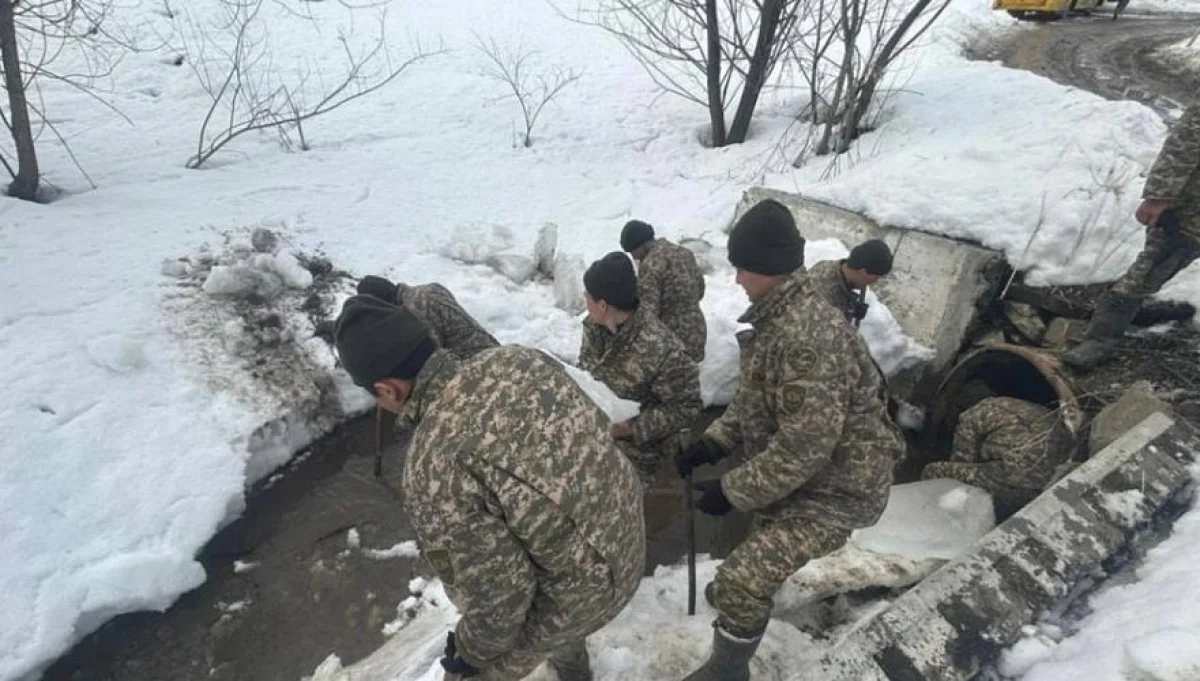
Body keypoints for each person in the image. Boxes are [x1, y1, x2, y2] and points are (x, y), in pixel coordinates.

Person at [333, 295, 644, 681]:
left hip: (589, 593)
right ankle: (575, 673)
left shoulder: (432, 466)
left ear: (388, 390)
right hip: (629, 540)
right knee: (550, 571)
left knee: (472, 672)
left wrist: (468, 652)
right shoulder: (519, 359)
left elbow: (501, 602)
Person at [672, 199, 903, 681]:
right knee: (761, 543)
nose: (737, 280)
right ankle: (748, 597)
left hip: (838, 489)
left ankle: (728, 669)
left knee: (741, 578)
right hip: (809, 476)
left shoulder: (806, 338)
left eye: (744, 270)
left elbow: (805, 446)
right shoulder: (779, 318)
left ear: (771, 270)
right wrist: (713, 442)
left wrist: (730, 491)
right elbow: (755, 401)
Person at [1063, 104, 1200, 371]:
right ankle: (1100, 339)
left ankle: (1136, 310)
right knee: (1151, 267)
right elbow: (1186, 142)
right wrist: (1160, 194)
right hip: (1191, 209)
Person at [579, 252, 703, 487]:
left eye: (588, 296)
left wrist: (631, 428)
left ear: (603, 304)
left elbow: (687, 407)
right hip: (592, 433)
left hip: (633, 450)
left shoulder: (660, 347)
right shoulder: (593, 328)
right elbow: (585, 371)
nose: (584, 299)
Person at [920, 381, 1074, 520]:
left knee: (934, 471)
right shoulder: (1021, 405)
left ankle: (927, 517)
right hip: (1058, 481)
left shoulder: (973, 414)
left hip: (1018, 481)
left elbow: (961, 460)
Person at [620, 220, 708, 362]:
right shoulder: (684, 253)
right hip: (697, 331)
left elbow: (648, 313)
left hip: (672, 341)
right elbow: (700, 290)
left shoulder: (650, 266)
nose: (634, 257)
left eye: (633, 251)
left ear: (643, 244)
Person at [357, 275, 499, 360]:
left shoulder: (413, 310)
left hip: (475, 362)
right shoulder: (429, 288)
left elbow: (434, 357)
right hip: (491, 348)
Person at [805, 239, 894, 326]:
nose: (874, 283)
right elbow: (835, 336)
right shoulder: (826, 297)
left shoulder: (831, 266)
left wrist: (851, 307)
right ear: (862, 272)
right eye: (875, 278)